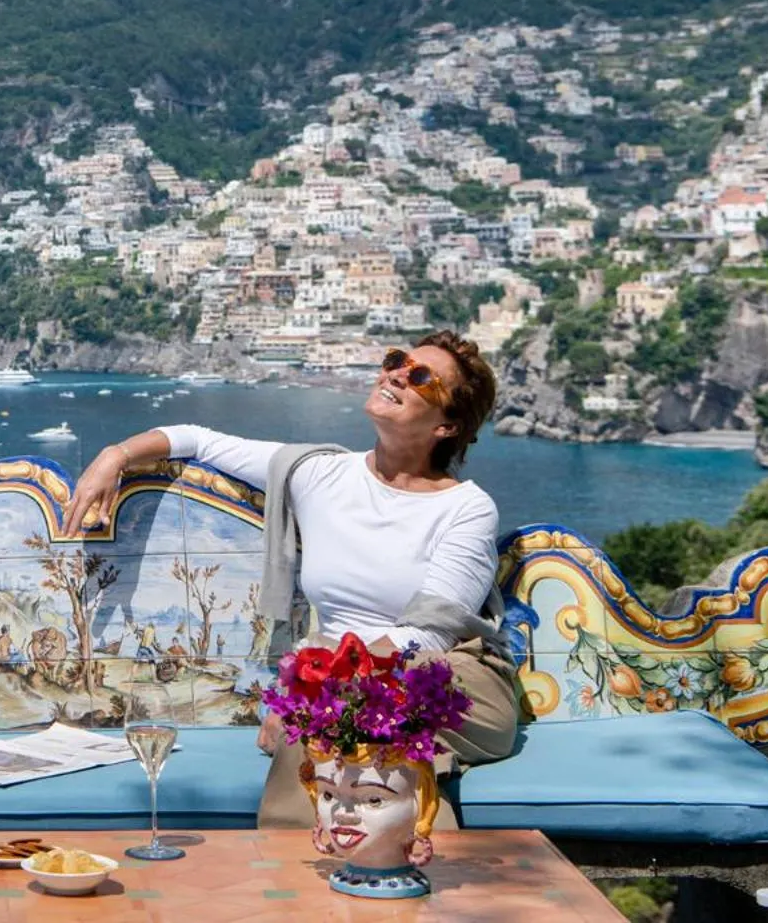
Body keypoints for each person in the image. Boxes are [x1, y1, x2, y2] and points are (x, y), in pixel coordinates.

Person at [59, 330, 522, 828]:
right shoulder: (320, 474)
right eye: (396, 361)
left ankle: (312, 850)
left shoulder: (465, 508)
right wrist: (115, 455)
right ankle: (402, 857)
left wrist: (311, 692)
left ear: (447, 425)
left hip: (444, 686)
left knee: (338, 718)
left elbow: (428, 635)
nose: (396, 375)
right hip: (345, 688)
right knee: (346, 724)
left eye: (421, 377)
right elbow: (198, 439)